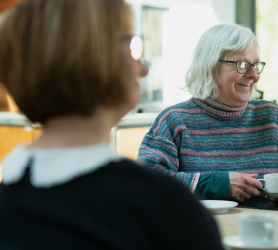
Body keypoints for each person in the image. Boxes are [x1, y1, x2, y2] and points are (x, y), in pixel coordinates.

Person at [0, 0, 224, 249]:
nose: (143, 68)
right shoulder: (163, 206)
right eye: (131, 46)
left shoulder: (9, 200)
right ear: (95, 58)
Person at [138, 24, 278, 210]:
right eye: (242, 65)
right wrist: (218, 184)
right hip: (197, 234)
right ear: (211, 66)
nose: (254, 75)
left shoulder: (271, 117)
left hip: (267, 237)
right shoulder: (174, 120)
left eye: (256, 64)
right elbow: (146, 180)